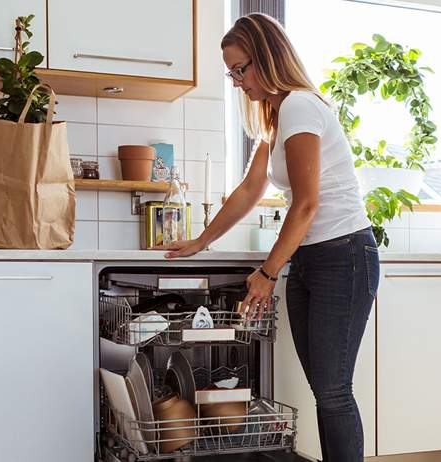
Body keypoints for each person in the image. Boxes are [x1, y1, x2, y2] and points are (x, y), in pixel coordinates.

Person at [161, 13, 379, 461]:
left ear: (268, 58)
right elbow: (249, 190)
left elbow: (306, 204)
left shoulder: (301, 105)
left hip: (344, 255)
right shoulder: (276, 118)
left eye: (242, 69)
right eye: (231, 72)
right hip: (312, 259)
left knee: (334, 389)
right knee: (325, 386)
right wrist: (201, 240)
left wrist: (267, 271)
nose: (238, 81)